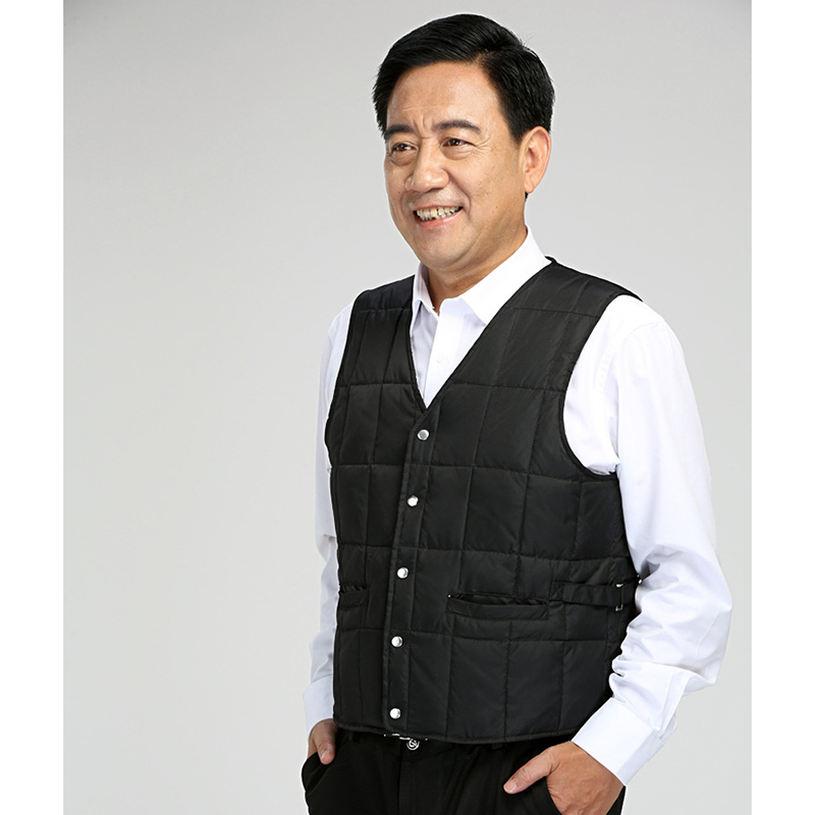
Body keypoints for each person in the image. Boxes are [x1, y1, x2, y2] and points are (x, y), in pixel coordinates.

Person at [300, 13, 732, 815]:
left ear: (530, 156)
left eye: (455, 142)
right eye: (401, 145)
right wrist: (323, 702)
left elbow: (686, 583)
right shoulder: (351, 331)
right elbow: (344, 556)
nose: (423, 173)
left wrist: (609, 752)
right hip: (363, 774)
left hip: (522, 784)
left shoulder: (616, 336)